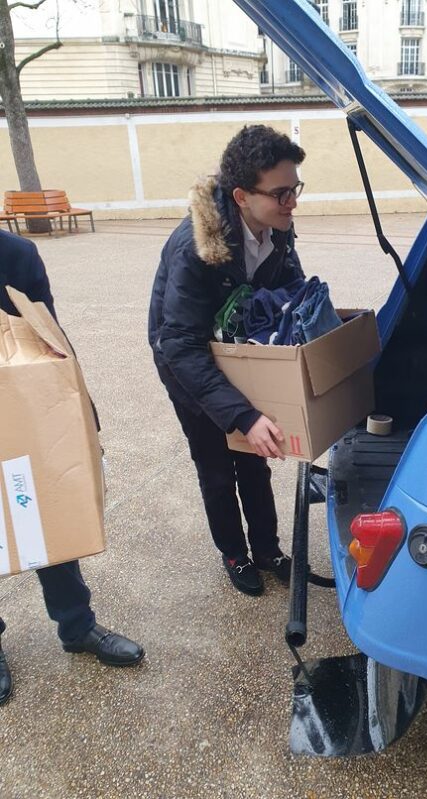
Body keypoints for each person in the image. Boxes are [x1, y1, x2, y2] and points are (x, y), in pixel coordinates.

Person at [149, 125, 306, 597]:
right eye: (280, 194)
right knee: (217, 468)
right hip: (187, 364)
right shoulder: (195, 247)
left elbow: (291, 290)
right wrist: (242, 414)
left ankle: (267, 549)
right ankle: (234, 553)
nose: (292, 203)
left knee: (255, 461)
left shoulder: (277, 230)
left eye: (295, 189)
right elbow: (178, 344)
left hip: (239, 353)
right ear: (241, 196)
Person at [0, 229, 145, 707]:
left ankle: (77, 626)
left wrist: (81, 416)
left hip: (23, 413)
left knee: (48, 515)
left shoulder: (16, 255)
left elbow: (53, 342)